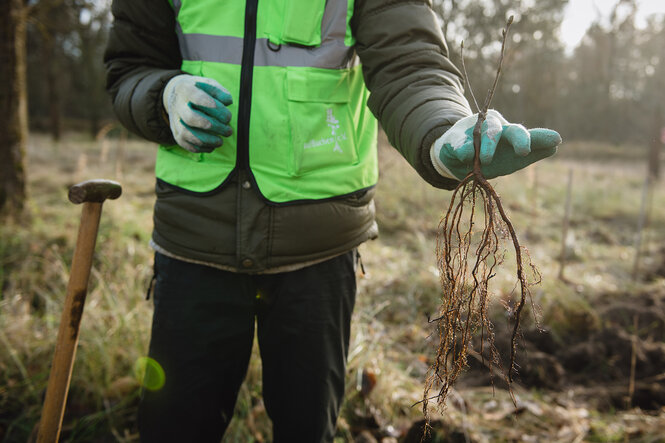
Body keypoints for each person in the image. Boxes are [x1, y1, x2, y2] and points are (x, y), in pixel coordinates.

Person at [104, 1, 561, 441]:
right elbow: (128, 68)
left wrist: (442, 129)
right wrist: (163, 95)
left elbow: (409, 64)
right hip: (192, 243)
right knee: (174, 426)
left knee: (308, 427)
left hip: (318, 255)